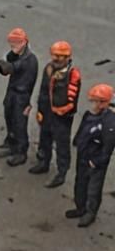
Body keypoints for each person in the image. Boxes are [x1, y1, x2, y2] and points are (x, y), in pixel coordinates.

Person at [29, 41, 81, 188]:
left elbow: (72, 97)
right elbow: (43, 91)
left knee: (62, 144)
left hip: (62, 117)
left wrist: (64, 111)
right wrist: (40, 110)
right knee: (44, 138)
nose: (56, 58)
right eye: (54, 55)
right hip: (47, 112)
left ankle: (61, 172)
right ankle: (43, 162)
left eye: (60, 56)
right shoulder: (49, 68)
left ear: (67, 57)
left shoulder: (73, 74)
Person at [67, 83, 115, 228]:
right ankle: (80, 207)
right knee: (80, 184)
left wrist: (97, 161)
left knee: (93, 188)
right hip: (84, 155)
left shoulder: (109, 122)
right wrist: (77, 141)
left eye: (96, 101)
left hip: (95, 160)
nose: (94, 104)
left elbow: (108, 147)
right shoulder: (91, 115)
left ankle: (90, 213)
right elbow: (84, 129)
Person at [0, 28, 38, 166]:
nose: (12, 47)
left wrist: (3, 64)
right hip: (12, 91)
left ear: (24, 42)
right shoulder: (19, 55)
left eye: (15, 44)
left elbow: (9, 68)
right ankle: (10, 142)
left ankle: (21, 152)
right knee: (9, 116)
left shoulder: (29, 59)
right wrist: (12, 53)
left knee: (19, 123)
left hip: (22, 96)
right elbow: (9, 61)